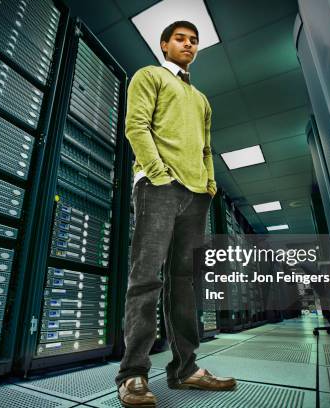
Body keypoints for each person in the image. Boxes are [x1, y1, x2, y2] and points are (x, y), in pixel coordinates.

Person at [116, 20, 237, 408]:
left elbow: (206, 147)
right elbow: (136, 126)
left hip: (196, 194)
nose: (189, 45)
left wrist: (210, 184)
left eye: (194, 41)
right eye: (181, 39)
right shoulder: (149, 75)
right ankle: (133, 373)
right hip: (158, 188)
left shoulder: (201, 99)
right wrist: (159, 174)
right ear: (165, 45)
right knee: (146, 277)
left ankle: (186, 369)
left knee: (183, 282)